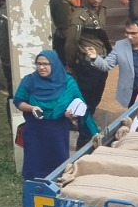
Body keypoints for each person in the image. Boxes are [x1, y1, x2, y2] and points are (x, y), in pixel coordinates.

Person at [15, 50, 96, 179]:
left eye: (46, 64)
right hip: (35, 132)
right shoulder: (29, 80)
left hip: (58, 132)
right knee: (34, 166)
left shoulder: (68, 82)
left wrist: (71, 114)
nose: (41, 67)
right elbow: (19, 101)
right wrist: (31, 108)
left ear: (55, 64)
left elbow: (79, 105)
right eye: (39, 64)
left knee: (58, 167)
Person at [89, 18, 138, 110]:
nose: (129, 37)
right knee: (133, 119)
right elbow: (107, 65)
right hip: (132, 93)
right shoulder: (120, 46)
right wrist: (95, 57)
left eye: (133, 33)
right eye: (127, 33)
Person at [65, 0, 111, 130]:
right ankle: (86, 132)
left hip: (101, 62)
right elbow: (72, 41)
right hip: (87, 65)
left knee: (96, 97)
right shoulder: (79, 15)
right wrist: (71, 63)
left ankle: (86, 125)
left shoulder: (102, 11)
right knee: (87, 99)